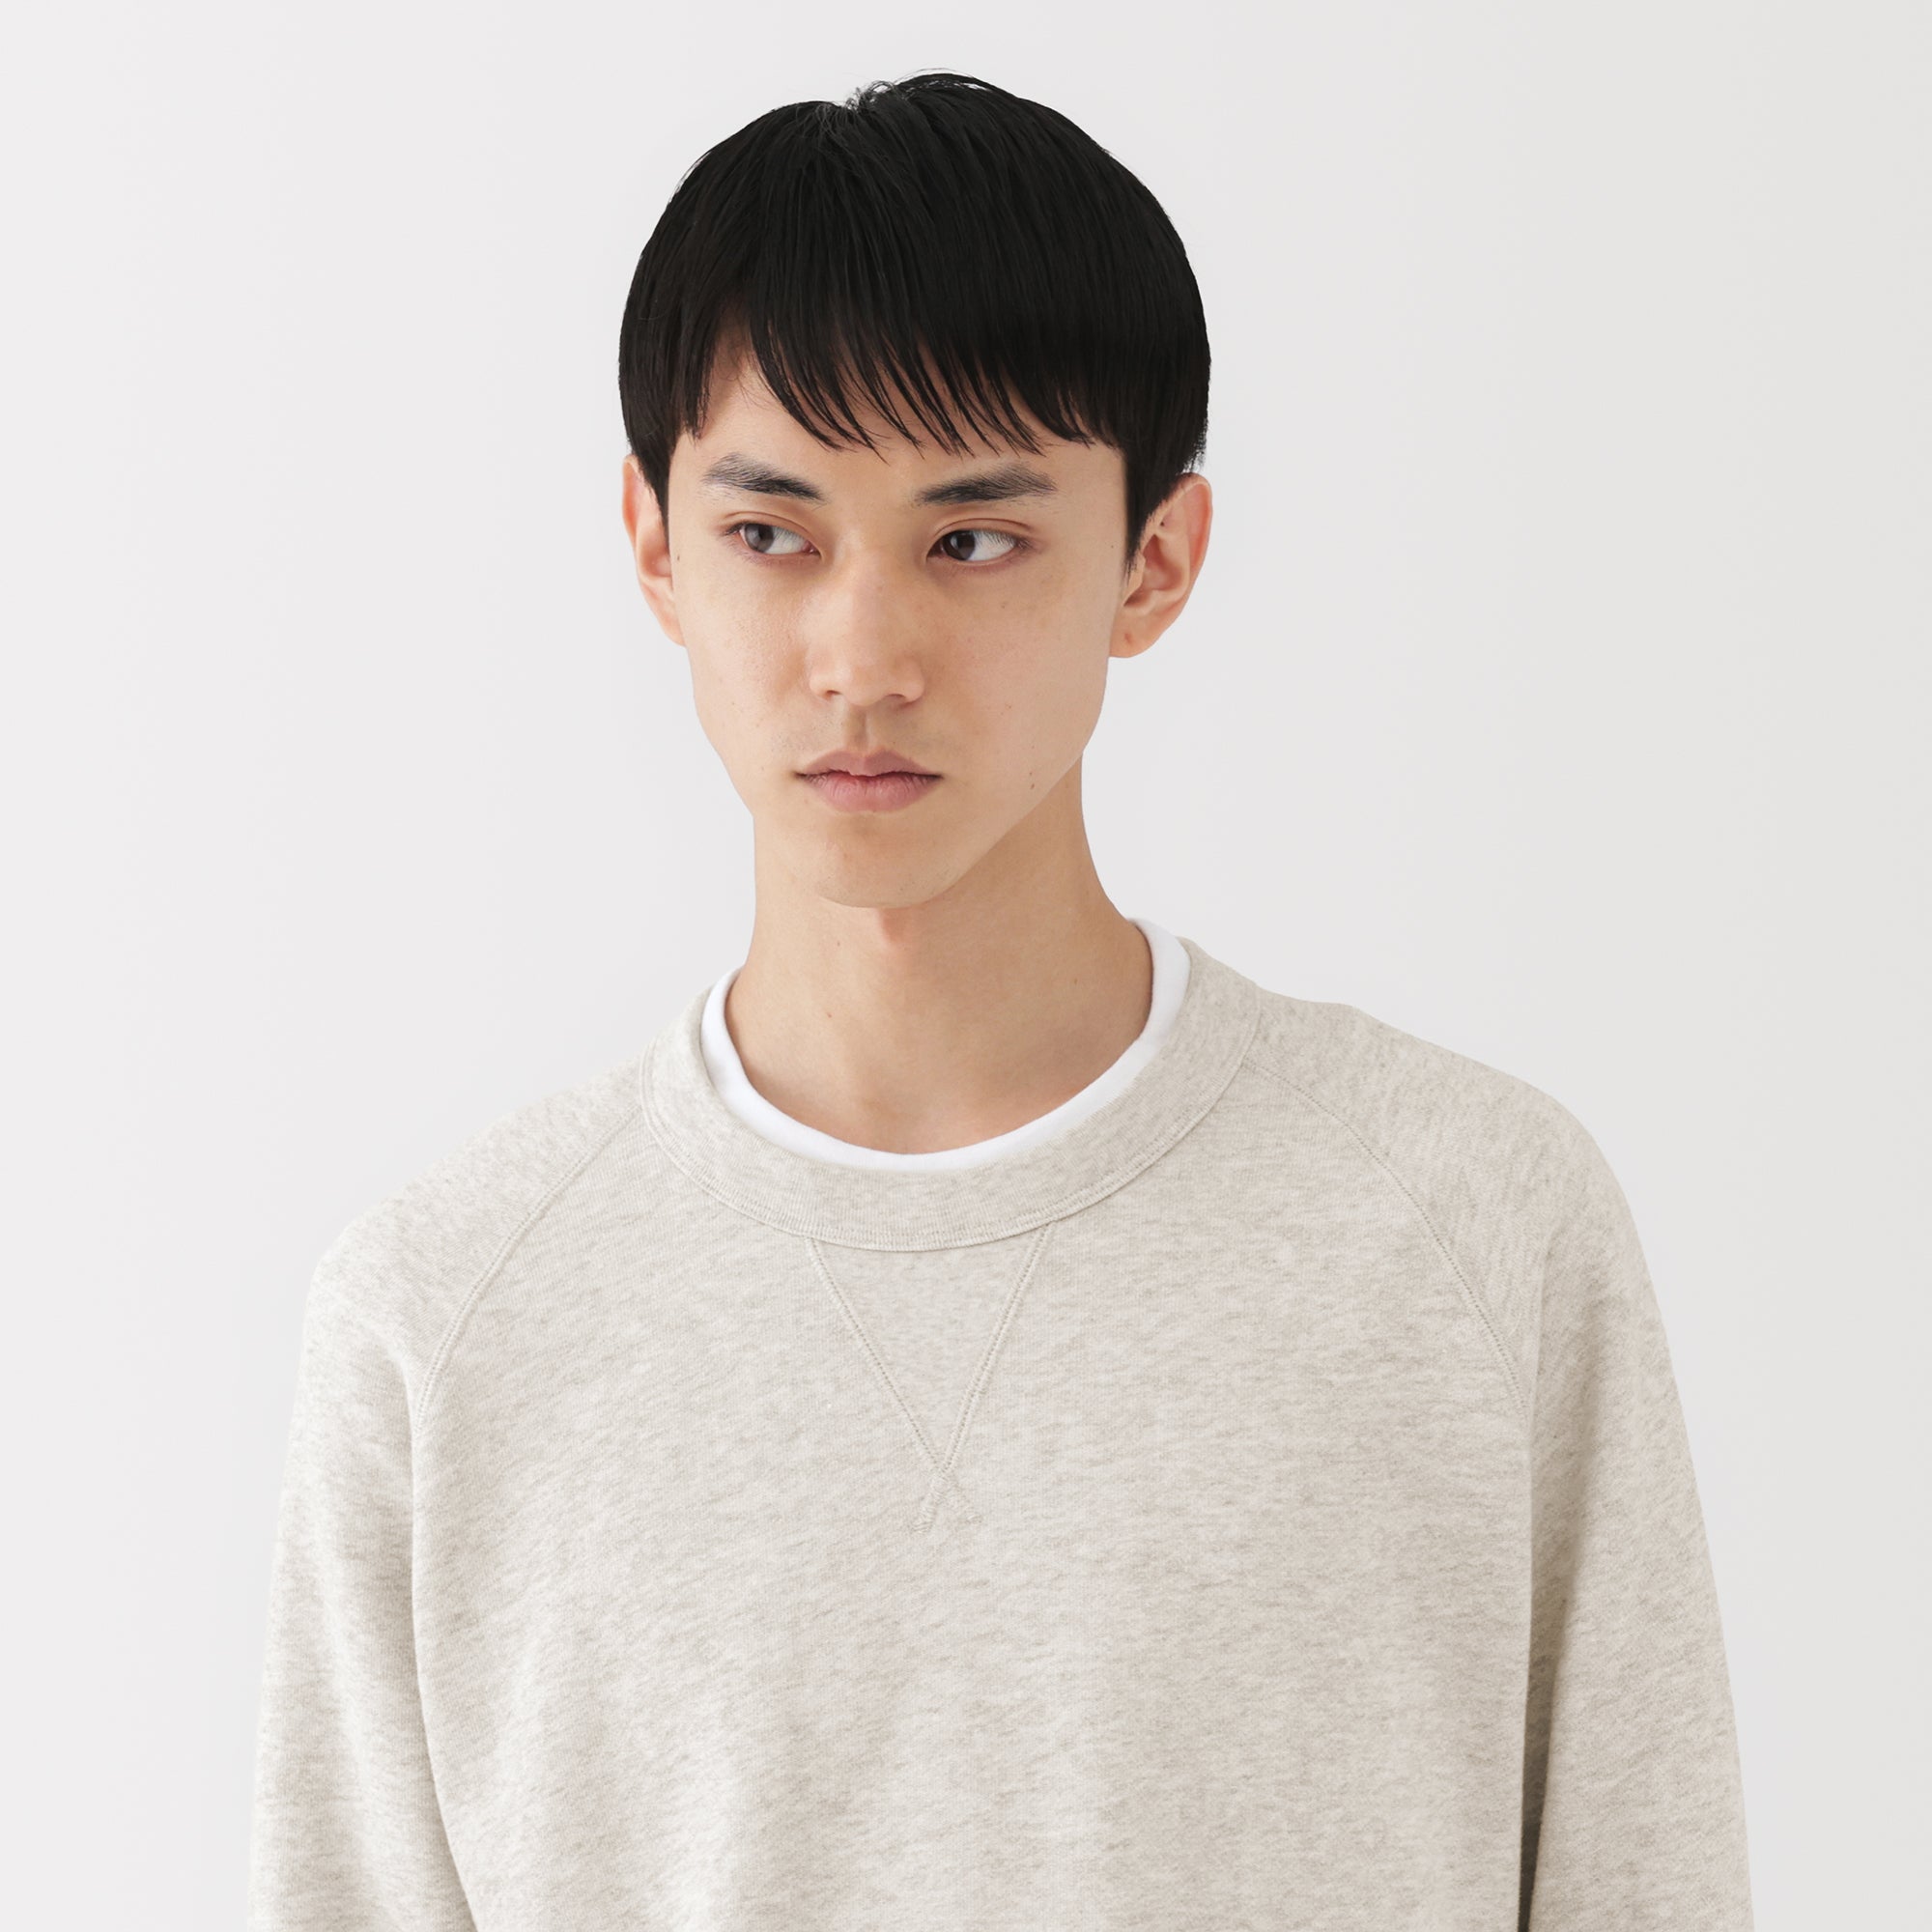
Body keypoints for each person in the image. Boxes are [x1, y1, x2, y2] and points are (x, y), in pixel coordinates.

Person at [247, 71, 1754, 1931]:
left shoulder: (1473, 1225)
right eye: (772, 534)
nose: (862, 657)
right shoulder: (444, 1316)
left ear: (1155, 562)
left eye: (971, 540)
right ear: (653, 546)